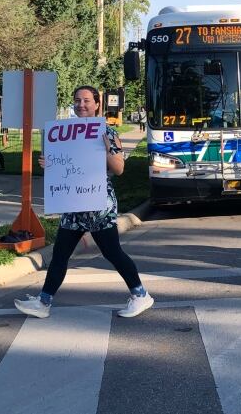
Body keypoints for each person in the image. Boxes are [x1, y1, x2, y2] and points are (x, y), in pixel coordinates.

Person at [14, 85, 154, 319]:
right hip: (73, 202)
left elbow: (119, 169)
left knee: (112, 252)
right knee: (60, 254)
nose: (81, 105)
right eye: (77, 100)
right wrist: (48, 163)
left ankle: (141, 295)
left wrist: (107, 148)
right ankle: (43, 302)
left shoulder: (107, 132)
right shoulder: (65, 131)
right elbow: (64, 163)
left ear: (97, 104)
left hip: (98, 203)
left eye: (87, 100)